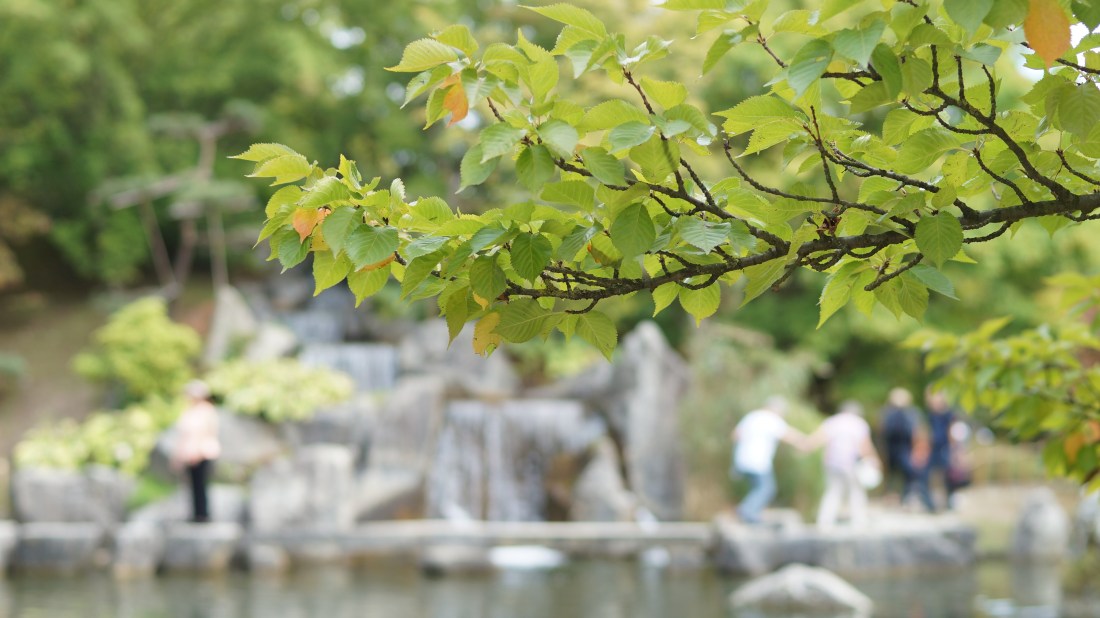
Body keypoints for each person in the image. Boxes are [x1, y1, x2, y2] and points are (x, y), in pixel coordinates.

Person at [730, 396, 807, 524]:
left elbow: (735, 435)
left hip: (742, 460)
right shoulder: (771, 419)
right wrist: (805, 442)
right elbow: (789, 435)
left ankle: (751, 513)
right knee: (767, 488)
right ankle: (747, 511)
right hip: (758, 461)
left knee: (757, 488)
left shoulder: (752, 416)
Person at [807, 400, 880, 528]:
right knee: (856, 491)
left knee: (833, 491)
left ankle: (824, 521)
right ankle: (859, 521)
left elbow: (818, 439)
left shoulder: (832, 421)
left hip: (832, 463)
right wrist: (873, 460)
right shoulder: (859, 424)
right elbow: (865, 446)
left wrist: (805, 447)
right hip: (851, 463)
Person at [172, 380, 221, 523]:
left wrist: (197, 451)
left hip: (203, 453)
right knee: (192, 485)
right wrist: (178, 456)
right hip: (189, 454)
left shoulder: (207, 410)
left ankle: (203, 514)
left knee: (201, 485)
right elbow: (183, 436)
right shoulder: (189, 410)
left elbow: (205, 432)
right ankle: (195, 513)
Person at [879, 388, 922, 506]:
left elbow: (916, 432)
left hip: (905, 448)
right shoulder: (887, 412)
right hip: (892, 448)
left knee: (909, 473)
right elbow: (883, 431)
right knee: (892, 475)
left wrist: (917, 449)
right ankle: (890, 497)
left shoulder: (912, 412)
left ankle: (907, 497)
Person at [919, 389, 958, 511]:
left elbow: (951, 433)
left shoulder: (948, 415)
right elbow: (924, 433)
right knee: (926, 475)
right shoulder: (928, 415)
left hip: (944, 448)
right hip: (931, 449)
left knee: (947, 474)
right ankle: (929, 503)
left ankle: (948, 501)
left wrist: (954, 450)